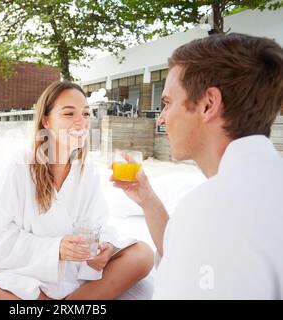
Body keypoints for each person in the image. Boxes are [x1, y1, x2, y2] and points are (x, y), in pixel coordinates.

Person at [112, 33, 283, 299]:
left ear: (208, 104)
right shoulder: (266, 184)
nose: (161, 119)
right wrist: (147, 199)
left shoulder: (213, 208)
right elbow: (184, 254)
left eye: (167, 103)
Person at [0, 81, 154, 300]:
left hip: (74, 269)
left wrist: (101, 249)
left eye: (86, 114)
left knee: (142, 255)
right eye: (69, 114)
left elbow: (97, 224)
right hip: (23, 269)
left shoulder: (87, 171)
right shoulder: (18, 166)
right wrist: (55, 248)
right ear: (46, 121)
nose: (81, 122)